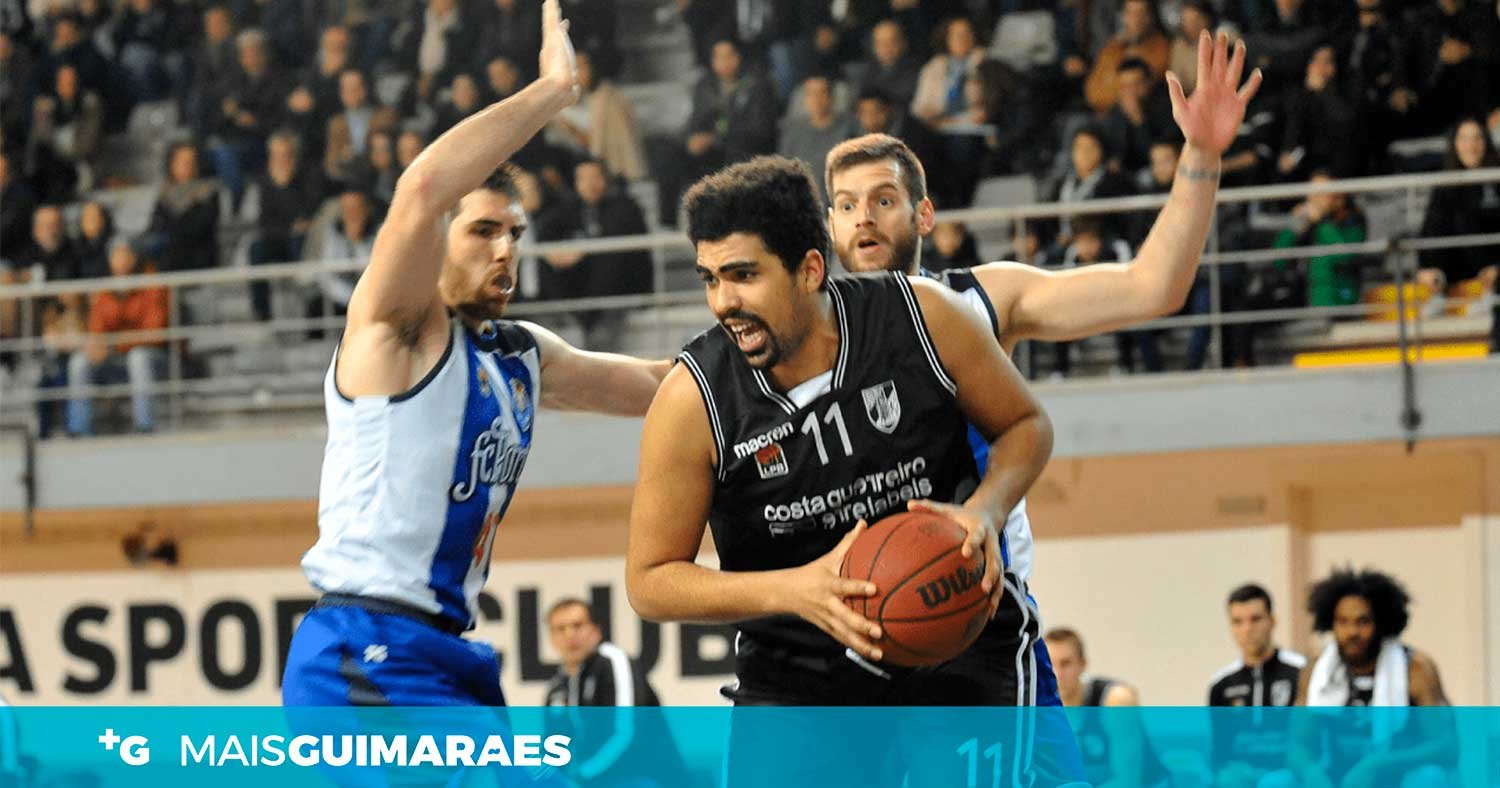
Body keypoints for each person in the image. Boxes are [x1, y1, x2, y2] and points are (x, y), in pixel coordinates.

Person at [823, 28, 1261, 704]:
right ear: (829, 225)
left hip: (982, 625)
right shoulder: (808, 337)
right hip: (855, 638)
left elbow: (1153, 287)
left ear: (924, 214)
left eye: (883, 199)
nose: (865, 219)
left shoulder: (982, 300)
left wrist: (1200, 154)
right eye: (848, 205)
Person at [625, 155, 1063, 786]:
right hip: (797, 673)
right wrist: (795, 589)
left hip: (953, 633)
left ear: (809, 269)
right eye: (710, 279)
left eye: (744, 275)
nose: (724, 302)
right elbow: (650, 580)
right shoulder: (693, 400)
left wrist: (985, 511)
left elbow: (1026, 425)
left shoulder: (923, 317)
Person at [282, 1, 671, 708]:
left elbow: (657, 385)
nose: (505, 250)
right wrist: (552, 91)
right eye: (484, 231)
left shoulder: (519, 354)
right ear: (437, 242)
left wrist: (792, 356)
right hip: (362, 644)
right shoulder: (395, 330)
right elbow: (424, 188)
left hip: (444, 648)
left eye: (514, 234)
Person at [1291, 568, 1457, 788]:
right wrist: (1311, 772)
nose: (1352, 632)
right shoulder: (1317, 671)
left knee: (1429, 777)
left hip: (1399, 777)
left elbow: (1446, 746)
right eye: (1343, 622)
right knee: (1279, 781)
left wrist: (1378, 764)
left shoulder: (1415, 669)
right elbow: (1296, 745)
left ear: (1381, 623)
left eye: (1363, 622)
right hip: (1339, 778)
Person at [542, 599, 685, 787]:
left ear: (596, 631)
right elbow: (554, 745)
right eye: (560, 629)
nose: (570, 635)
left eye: (577, 625)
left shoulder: (614, 662)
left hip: (642, 778)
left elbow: (626, 733)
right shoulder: (557, 686)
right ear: (551, 638)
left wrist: (582, 776)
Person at [1044, 627, 1169, 788]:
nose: (1057, 674)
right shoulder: (1041, 710)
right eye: (1050, 664)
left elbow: (1128, 781)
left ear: (1083, 664)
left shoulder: (1116, 700)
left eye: (1066, 663)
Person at [1207, 583, 1305, 788]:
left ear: (1272, 621)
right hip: (1240, 776)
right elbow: (1220, 749)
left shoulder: (1300, 672)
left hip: (1289, 774)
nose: (1248, 629)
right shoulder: (1221, 684)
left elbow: (1310, 742)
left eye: (1256, 619)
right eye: (1238, 622)